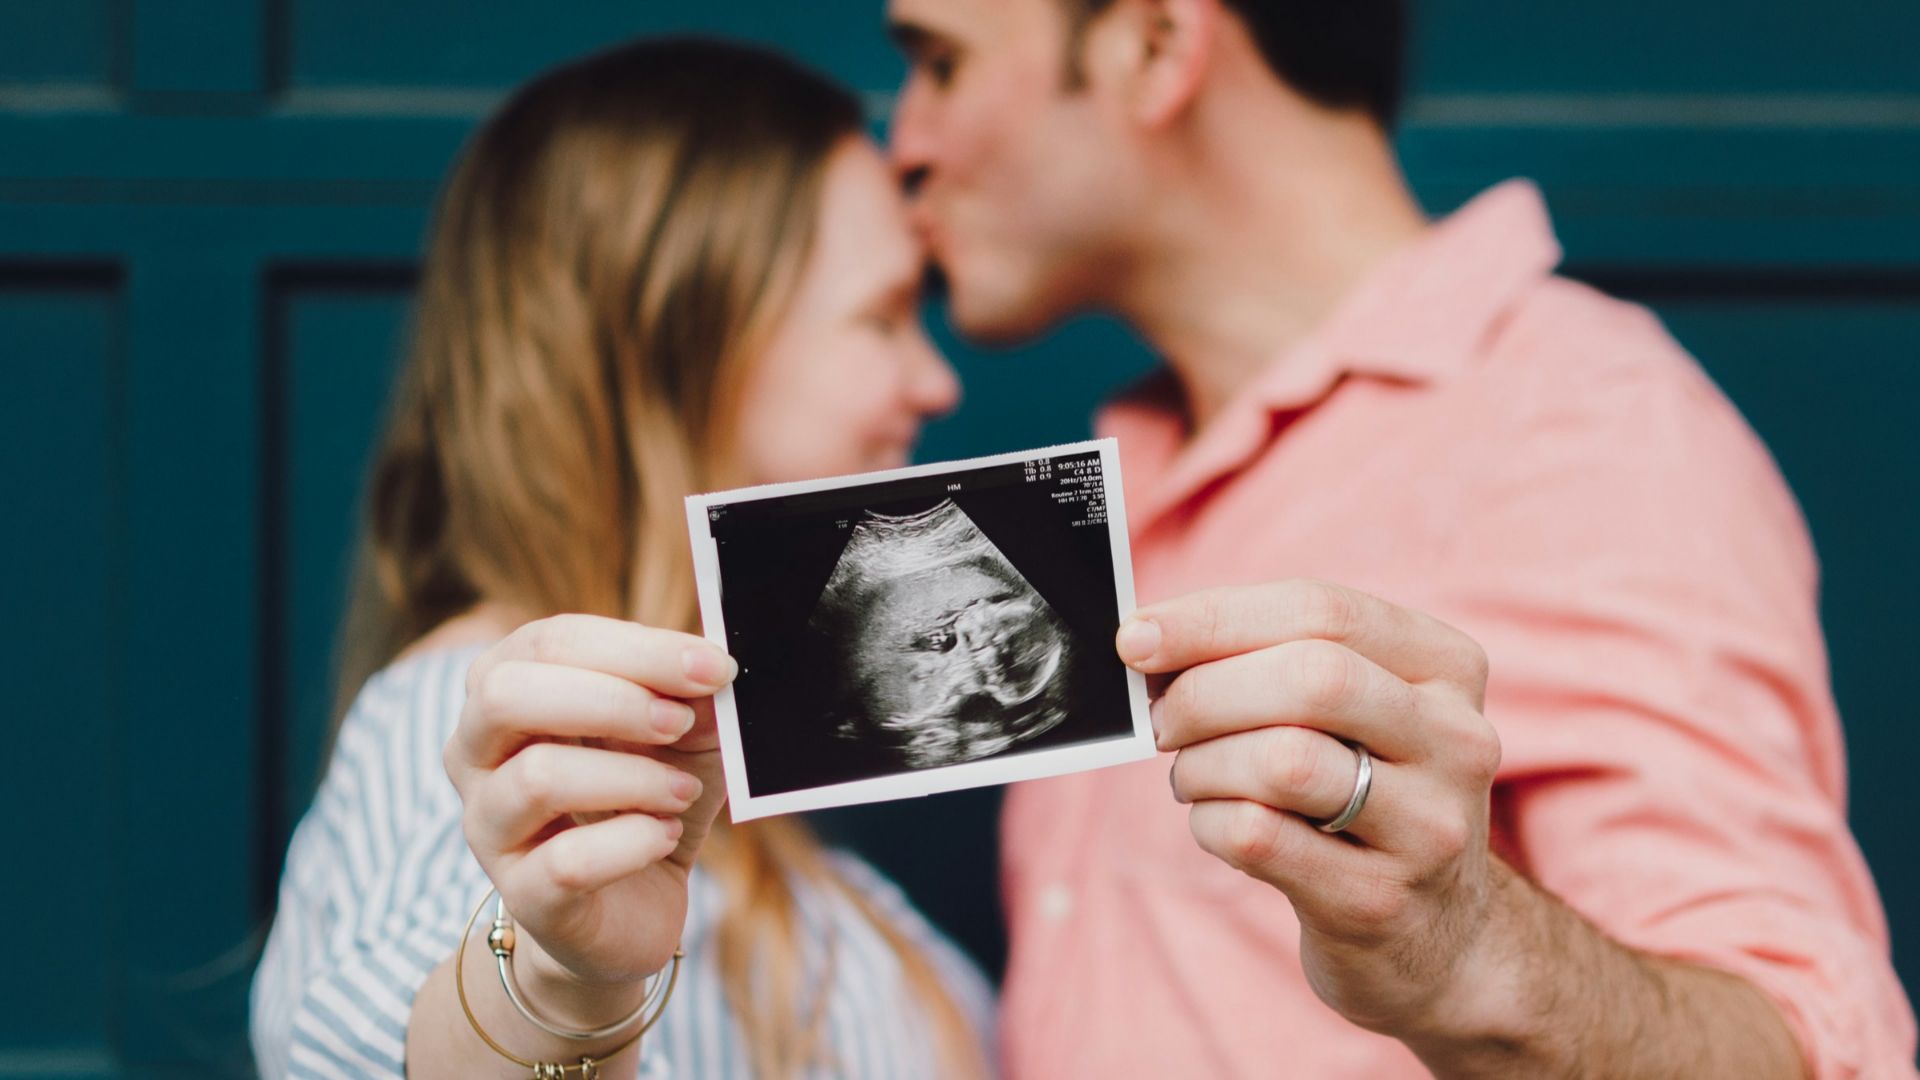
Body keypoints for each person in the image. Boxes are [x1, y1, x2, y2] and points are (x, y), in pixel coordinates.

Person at [882, 0, 1918, 1077]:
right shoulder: (1112, 481)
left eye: (942, 64)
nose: (903, 143)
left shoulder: (1577, 425)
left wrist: (1465, 951)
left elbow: (1808, 1051)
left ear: (1154, 44)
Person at [249, 39, 993, 1080]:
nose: (934, 383)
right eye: (882, 317)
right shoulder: (484, 732)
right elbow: (393, 1044)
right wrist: (565, 983)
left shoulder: (731, 785)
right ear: (682, 342)